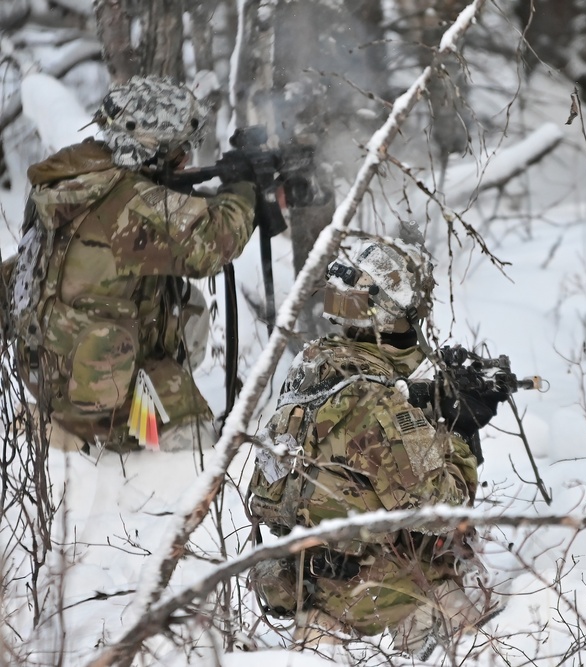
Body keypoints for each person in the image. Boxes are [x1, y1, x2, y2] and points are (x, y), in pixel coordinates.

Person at [247, 234, 503, 657]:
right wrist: (459, 436)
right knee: (480, 638)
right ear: (393, 325)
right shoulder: (377, 400)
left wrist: (421, 401)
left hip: (299, 579)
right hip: (368, 590)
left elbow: (345, 448)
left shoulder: (311, 365)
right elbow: (444, 509)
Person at [7, 76, 257, 453]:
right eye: (178, 151)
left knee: (184, 302)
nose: (186, 159)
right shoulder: (130, 203)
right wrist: (243, 190)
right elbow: (215, 243)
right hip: (96, 393)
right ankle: (124, 449)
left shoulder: (76, 178)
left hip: (51, 366)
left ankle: (63, 421)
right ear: (150, 149)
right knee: (193, 439)